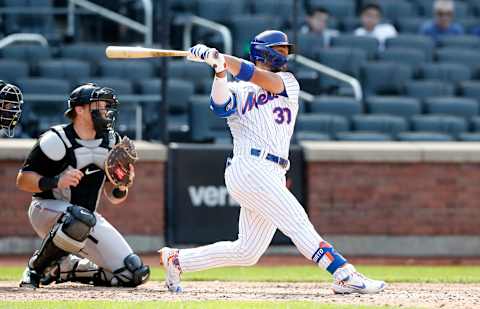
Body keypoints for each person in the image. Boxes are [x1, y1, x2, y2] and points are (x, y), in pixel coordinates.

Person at [158, 30, 386, 295]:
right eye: (280, 49)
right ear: (263, 51)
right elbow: (219, 105)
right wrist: (219, 71)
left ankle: (177, 260)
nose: (285, 55)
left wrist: (221, 58)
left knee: (247, 251)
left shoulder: (287, 82)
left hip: (273, 170)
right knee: (297, 222)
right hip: (249, 167)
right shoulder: (237, 89)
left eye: (285, 50)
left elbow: (253, 75)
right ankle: (344, 274)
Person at [17, 83, 150, 288]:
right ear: (79, 109)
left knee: (133, 273)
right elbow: (23, 180)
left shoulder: (111, 140)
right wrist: (55, 181)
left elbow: (113, 197)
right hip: (46, 210)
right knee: (79, 218)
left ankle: (64, 269)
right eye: (99, 106)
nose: (105, 111)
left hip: (86, 219)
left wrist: (122, 185)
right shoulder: (56, 140)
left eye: (106, 106)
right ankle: (36, 269)